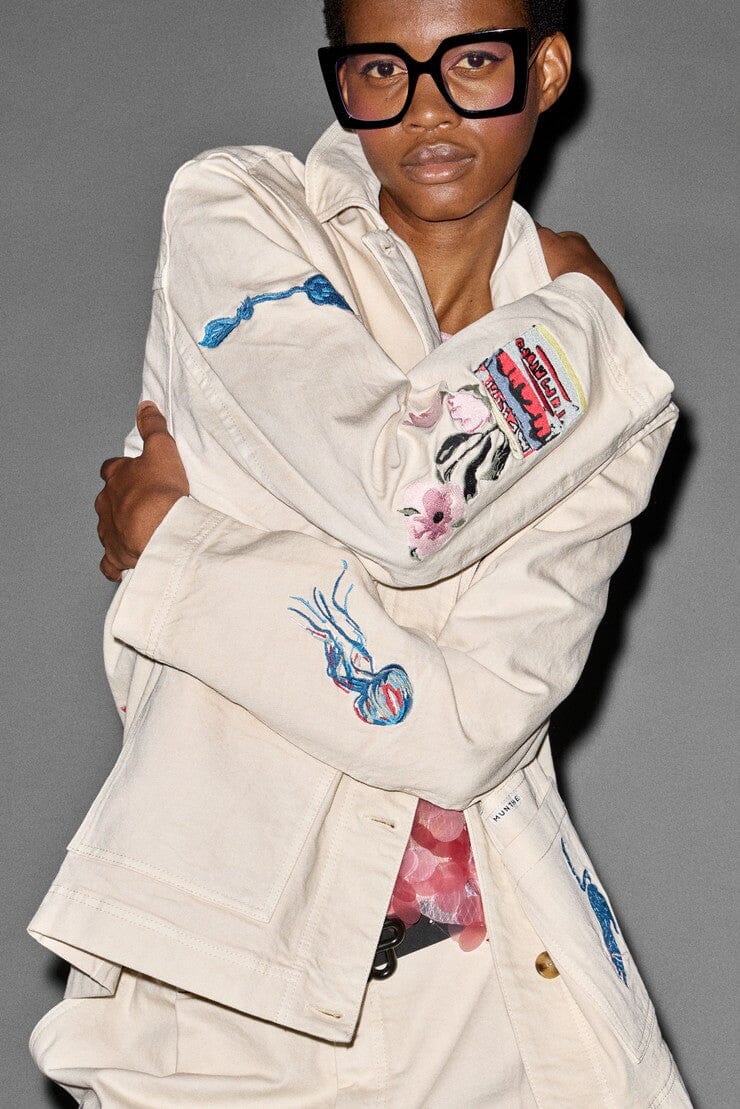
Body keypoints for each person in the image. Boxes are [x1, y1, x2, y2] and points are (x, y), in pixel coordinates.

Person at [27, 0, 692, 1104]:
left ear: (544, 68)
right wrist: (579, 327)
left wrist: (177, 548)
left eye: (471, 62)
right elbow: (405, 501)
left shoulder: (606, 389)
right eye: (383, 70)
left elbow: (468, 723)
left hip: (487, 1009)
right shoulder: (240, 213)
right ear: (340, 78)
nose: (426, 109)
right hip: (221, 975)